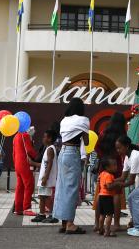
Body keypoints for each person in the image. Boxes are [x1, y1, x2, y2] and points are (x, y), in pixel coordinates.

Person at [53, 98, 89, 234]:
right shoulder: (83, 120)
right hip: (73, 152)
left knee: (62, 187)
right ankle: (70, 224)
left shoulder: (64, 120)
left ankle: (63, 222)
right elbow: (86, 141)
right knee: (72, 188)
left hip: (62, 152)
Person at [96, 111, 127, 231]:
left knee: (101, 192)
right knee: (117, 193)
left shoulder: (104, 133)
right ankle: (116, 224)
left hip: (104, 165)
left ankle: (97, 224)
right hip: (117, 165)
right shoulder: (122, 135)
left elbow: (96, 148)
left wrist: (104, 159)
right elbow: (124, 151)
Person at [31, 130, 59, 223]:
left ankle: (52, 215)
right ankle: (42, 214)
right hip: (43, 177)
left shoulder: (50, 149)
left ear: (50, 138)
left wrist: (45, 177)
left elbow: (50, 164)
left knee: (47, 197)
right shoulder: (48, 148)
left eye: (45, 137)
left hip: (46, 178)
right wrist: (32, 163)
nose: (43, 138)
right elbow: (44, 164)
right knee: (42, 196)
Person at [12, 127, 37, 216]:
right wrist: (36, 156)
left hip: (17, 164)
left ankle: (18, 208)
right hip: (25, 163)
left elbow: (13, 152)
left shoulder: (15, 136)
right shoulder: (25, 135)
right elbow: (29, 150)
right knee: (29, 185)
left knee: (20, 186)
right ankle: (27, 207)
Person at [97, 158, 121, 237]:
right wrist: (116, 184)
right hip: (107, 197)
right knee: (110, 215)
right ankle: (107, 231)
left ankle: (100, 229)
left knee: (102, 215)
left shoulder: (102, 173)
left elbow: (99, 180)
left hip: (101, 196)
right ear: (107, 167)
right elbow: (109, 186)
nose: (116, 167)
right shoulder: (109, 175)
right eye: (114, 165)